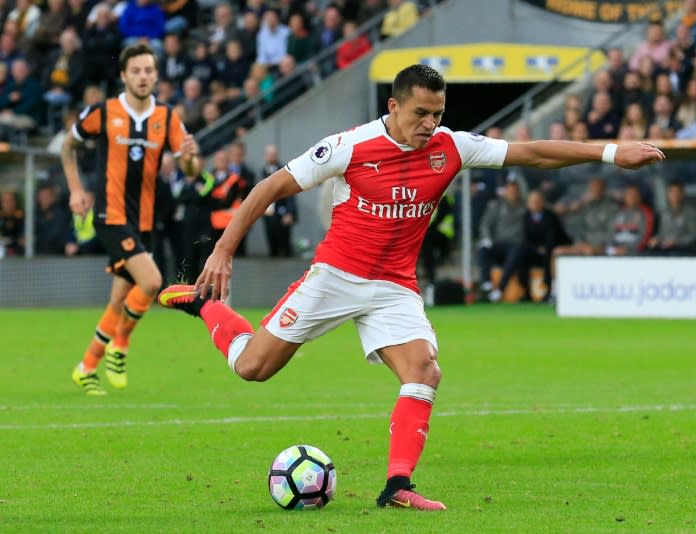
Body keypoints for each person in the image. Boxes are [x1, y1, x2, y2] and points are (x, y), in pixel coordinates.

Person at [157, 64, 664, 511]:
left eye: (438, 113)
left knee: (424, 371)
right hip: (334, 276)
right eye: (421, 113)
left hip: (394, 287)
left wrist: (612, 153)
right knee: (253, 367)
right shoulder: (349, 146)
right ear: (393, 106)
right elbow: (270, 187)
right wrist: (222, 250)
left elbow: (531, 152)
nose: (430, 124)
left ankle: (397, 485)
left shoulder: (451, 147)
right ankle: (206, 308)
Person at [61, 43, 200, 396]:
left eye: (148, 71)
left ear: (156, 76)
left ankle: (87, 366)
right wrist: (76, 189)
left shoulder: (167, 117)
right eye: (136, 71)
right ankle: (120, 345)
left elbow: (191, 169)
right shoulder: (104, 112)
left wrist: (188, 159)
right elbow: (67, 146)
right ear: (123, 76)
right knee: (151, 283)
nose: (142, 77)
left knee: (119, 297)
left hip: (146, 222)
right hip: (111, 216)